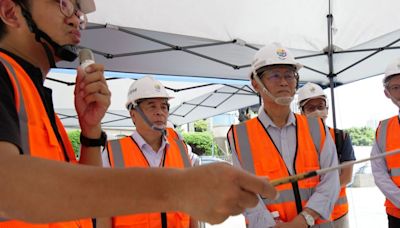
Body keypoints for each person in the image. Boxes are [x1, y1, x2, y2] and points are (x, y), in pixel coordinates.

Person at [0, 0, 279, 226]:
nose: (76, 19)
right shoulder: (4, 73)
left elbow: (86, 204)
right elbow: (7, 186)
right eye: (63, 4)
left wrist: (90, 133)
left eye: (78, 11)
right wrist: (177, 189)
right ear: (10, 12)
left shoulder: (31, 90)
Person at [227, 43, 340, 228]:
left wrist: (304, 220)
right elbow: (245, 192)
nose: (284, 82)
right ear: (256, 83)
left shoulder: (316, 127)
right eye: (275, 75)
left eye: (289, 75)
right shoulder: (240, 135)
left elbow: (331, 180)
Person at [103, 76, 198, 228]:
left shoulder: (182, 150)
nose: (160, 112)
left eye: (164, 106)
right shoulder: (113, 152)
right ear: (133, 114)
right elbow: (104, 210)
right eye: (152, 106)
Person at [297, 82, 356, 228]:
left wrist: (320, 198)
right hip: (305, 215)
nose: (317, 111)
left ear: (327, 109)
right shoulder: (295, 140)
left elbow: (346, 177)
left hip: (337, 214)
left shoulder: (340, 137)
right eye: (311, 108)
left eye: (320, 106)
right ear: (302, 112)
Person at [371, 58, 400, 228]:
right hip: (397, 212)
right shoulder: (383, 128)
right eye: (396, 88)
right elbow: (379, 172)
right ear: (387, 93)